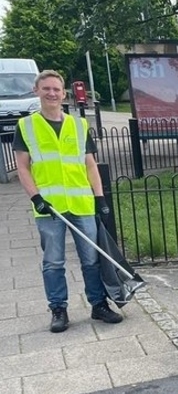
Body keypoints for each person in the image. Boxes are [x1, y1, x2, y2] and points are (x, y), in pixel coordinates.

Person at [14, 70, 123, 333]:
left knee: (91, 260)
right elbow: (22, 167)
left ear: (64, 94)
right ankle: (58, 309)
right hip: (49, 208)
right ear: (36, 91)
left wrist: (99, 198)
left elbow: (90, 165)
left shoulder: (78, 125)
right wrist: (36, 197)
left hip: (82, 204)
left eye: (56, 89)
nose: (52, 93)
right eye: (46, 88)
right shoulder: (27, 126)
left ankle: (98, 304)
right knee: (53, 261)